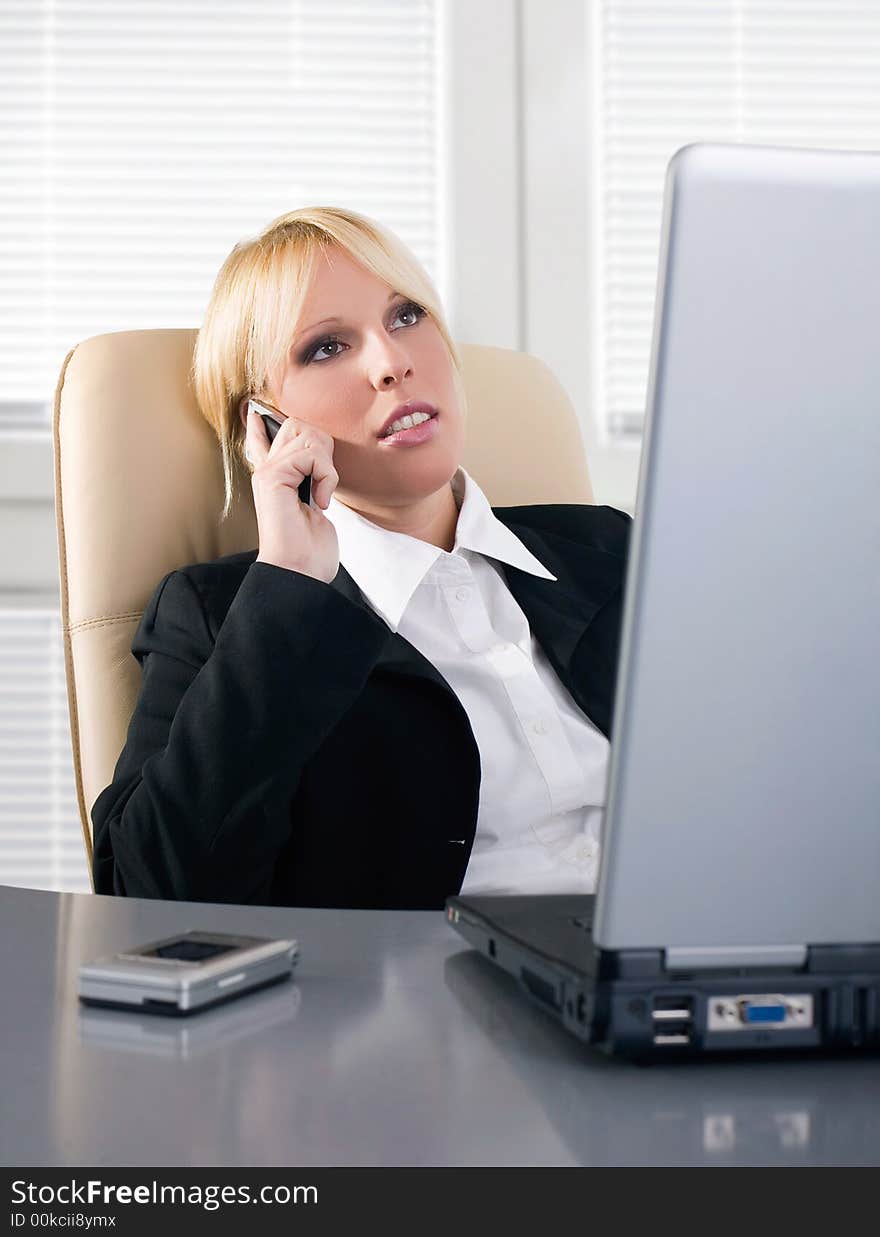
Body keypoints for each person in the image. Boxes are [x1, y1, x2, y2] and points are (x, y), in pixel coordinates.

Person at [91, 206, 632, 909]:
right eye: (326, 348)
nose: (392, 362)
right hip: (439, 1000)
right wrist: (289, 584)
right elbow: (149, 889)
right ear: (266, 424)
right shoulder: (224, 615)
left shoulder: (607, 549)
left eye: (407, 316)